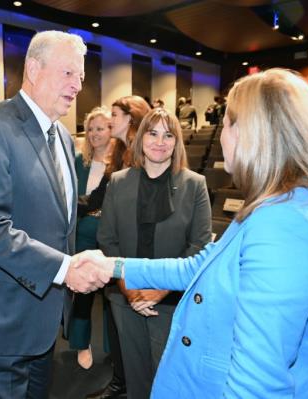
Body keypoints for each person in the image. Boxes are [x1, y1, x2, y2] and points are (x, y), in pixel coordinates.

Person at [76, 68, 308, 398]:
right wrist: (115, 267)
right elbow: (199, 266)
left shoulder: (283, 225)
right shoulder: (281, 206)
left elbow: (257, 383)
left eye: (227, 124)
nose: (222, 136)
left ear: (252, 133)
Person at [0, 30, 110, 399]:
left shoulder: (63, 137)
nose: (78, 85)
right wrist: (66, 269)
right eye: (68, 73)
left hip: (39, 323)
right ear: (33, 67)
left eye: (81, 76)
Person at [97, 107, 212, 399]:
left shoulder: (195, 184)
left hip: (173, 300)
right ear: (141, 138)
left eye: (168, 135)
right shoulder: (119, 181)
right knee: (136, 380)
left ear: (177, 142)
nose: (160, 141)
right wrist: (132, 291)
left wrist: (157, 291)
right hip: (125, 298)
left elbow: (198, 247)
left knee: (170, 381)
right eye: (152, 133)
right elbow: (107, 240)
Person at [86, 95, 152, 399]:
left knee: (136, 328)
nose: (109, 120)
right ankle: (120, 383)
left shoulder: (146, 153)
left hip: (139, 254)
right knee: (116, 320)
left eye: (115, 114)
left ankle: (129, 385)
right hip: (117, 251)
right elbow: (96, 200)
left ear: (132, 118)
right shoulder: (121, 154)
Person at [69, 106, 113, 370]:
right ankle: (81, 344)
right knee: (83, 291)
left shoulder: (121, 162)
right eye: (91, 129)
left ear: (111, 130)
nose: (95, 134)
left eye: (101, 128)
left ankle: (112, 345)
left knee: (112, 294)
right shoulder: (78, 161)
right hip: (84, 229)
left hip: (111, 231)